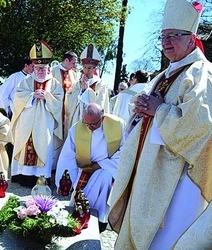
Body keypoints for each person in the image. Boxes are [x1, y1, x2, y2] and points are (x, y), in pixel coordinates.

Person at [108, 0, 212, 249]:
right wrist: (140, 111)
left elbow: (201, 126)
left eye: (174, 35)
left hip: (180, 176)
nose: (166, 41)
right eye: (163, 36)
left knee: (168, 239)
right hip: (149, 167)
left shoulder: (201, 73)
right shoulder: (163, 75)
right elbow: (147, 114)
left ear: (191, 39)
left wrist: (158, 110)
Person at [55, 103, 125, 232]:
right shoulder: (76, 129)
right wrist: (65, 180)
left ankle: (99, 219)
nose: (89, 127)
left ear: (102, 118)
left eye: (93, 124)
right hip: (85, 168)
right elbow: (68, 156)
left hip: (108, 167)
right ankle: (81, 216)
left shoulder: (118, 125)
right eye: (86, 123)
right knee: (80, 192)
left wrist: (101, 165)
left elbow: (124, 150)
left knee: (103, 178)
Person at [10, 40, 64, 187]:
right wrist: (32, 96)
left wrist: (46, 96)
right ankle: (24, 176)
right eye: (38, 68)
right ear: (33, 67)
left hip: (45, 122)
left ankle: (42, 177)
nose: (40, 71)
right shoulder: (26, 82)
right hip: (26, 122)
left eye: (43, 68)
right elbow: (18, 98)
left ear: (48, 68)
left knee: (43, 145)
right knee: (26, 145)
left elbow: (59, 103)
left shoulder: (55, 84)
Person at [65, 44, 111, 139]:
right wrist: (80, 91)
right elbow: (69, 97)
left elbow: (100, 106)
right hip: (77, 120)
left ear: (95, 68)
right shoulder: (77, 83)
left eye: (90, 68)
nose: (86, 70)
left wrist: (86, 90)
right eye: (85, 67)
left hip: (92, 124)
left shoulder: (101, 85)